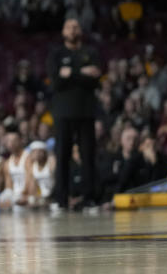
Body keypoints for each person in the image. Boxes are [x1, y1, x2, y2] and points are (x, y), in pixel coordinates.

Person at [47, 17, 100, 211]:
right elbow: (56, 82)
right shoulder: (56, 54)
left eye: (76, 26)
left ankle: (89, 199)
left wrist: (70, 73)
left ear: (81, 31)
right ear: (63, 32)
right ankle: (61, 200)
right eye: (69, 26)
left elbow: (95, 81)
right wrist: (83, 73)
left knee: (88, 156)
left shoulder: (91, 52)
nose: (72, 30)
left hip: (86, 111)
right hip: (63, 113)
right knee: (62, 156)